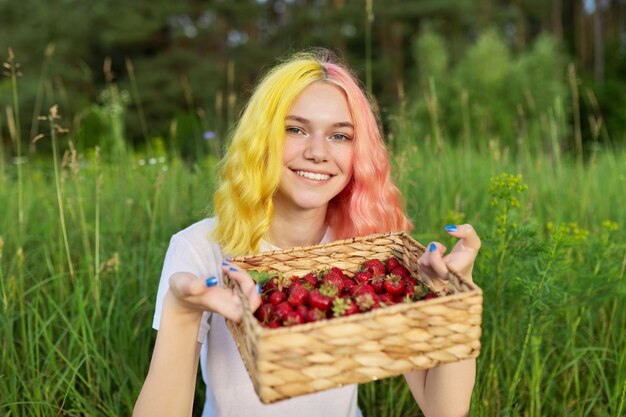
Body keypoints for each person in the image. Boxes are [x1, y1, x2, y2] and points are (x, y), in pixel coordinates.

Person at [133, 48, 481, 417]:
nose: (317, 152)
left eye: (340, 136)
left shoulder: (367, 253)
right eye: (295, 129)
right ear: (262, 138)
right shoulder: (200, 250)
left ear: (358, 152)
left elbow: (445, 411)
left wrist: (455, 291)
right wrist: (181, 311)